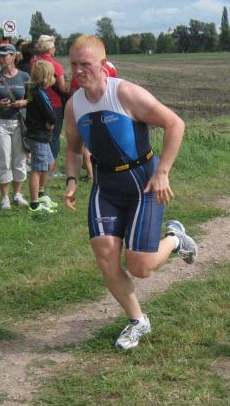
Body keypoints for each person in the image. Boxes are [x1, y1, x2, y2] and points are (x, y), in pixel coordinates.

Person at [63, 35, 197, 350]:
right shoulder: (74, 105)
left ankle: (176, 240)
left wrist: (163, 172)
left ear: (102, 64)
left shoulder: (124, 93)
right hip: (105, 186)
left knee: (140, 266)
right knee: (105, 255)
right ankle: (138, 321)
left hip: (142, 182)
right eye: (74, 64)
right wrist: (71, 180)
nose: (79, 71)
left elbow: (175, 124)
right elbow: (73, 149)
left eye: (86, 64)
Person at [0, 43, 30, 210]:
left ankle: (17, 194)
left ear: (13, 56)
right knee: (3, 160)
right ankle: (4, 198)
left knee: (20, 160)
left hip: (19, 123)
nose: (1, 59)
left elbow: (32, 98)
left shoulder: (24, 76)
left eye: (4, 56)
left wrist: (23, 102)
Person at [31, 35, 68, 178]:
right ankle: (51, 169)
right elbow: (62, 88)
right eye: (53, 46)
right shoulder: (55, 65)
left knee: (41, 136)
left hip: (36, 104)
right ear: (49, 48)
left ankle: (40, 164)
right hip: (54, 105)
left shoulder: (34, 63)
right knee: (54, 137)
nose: (55, 49)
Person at [25, 60, 59, 215]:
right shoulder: (37, 93)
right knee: (37, 169)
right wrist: (51, 122)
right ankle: (34, 204)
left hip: (41, 135)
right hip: (38, 135)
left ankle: (41, 193)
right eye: (52, 74)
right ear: (46, 75)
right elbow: (50, 114)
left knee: (49, 164)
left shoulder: (37, 91)